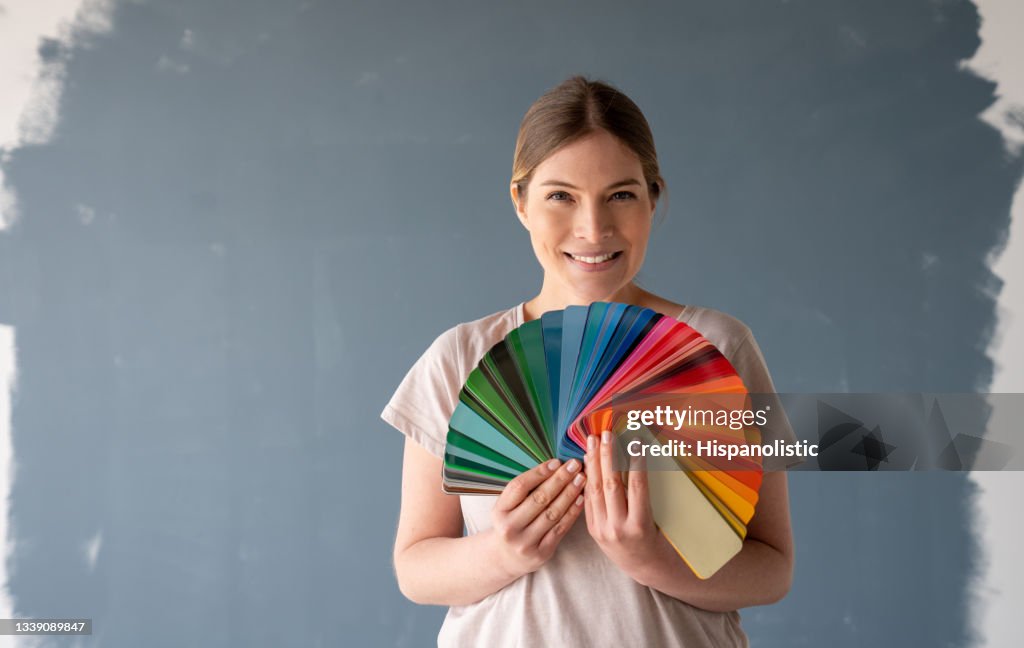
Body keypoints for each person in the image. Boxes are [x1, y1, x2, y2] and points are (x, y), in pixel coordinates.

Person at [380, 75, 797, 647]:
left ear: (653, 196)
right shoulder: (459, 358)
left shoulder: (717, 346)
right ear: (519, 201)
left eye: (621, 194)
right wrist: (504, 552)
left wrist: (651, 559)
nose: (593, 228)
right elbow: (416, 567)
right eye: (561, 196)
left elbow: (772, 566)